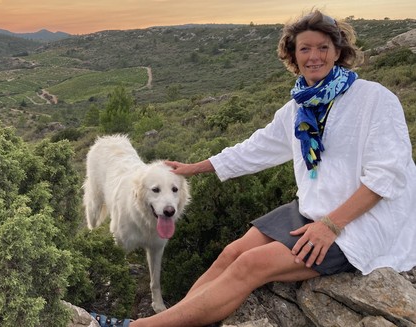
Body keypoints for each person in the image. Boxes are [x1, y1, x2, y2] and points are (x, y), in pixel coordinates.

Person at [89, 9, 416, 327]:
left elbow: (387, 175)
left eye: (323, 48)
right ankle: (169, 320)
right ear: (293, 55)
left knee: (251, 263)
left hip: (360, 222)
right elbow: (255, 149)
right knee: (232, 253)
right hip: (314, 207)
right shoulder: (298, 108)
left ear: (338, 51)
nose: (314, 56)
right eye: (305, 48)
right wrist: (196, 167)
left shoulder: (374, 99)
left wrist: (330, 226)